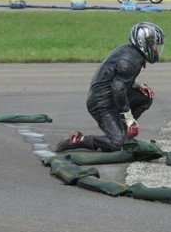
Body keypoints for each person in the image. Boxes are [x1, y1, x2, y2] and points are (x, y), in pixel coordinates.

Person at [55, 22, 164, 153]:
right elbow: (118, 89)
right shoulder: (130, 61)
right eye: (153, 45)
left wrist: (137, 84)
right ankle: (78, 140)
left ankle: (122, 133)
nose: (155, 49)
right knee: (118, 145)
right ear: (143, 42)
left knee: (145, 97)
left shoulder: (132, 53)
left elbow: (115, 78)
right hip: (101, 102)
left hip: (109, 94)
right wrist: (129, 119)